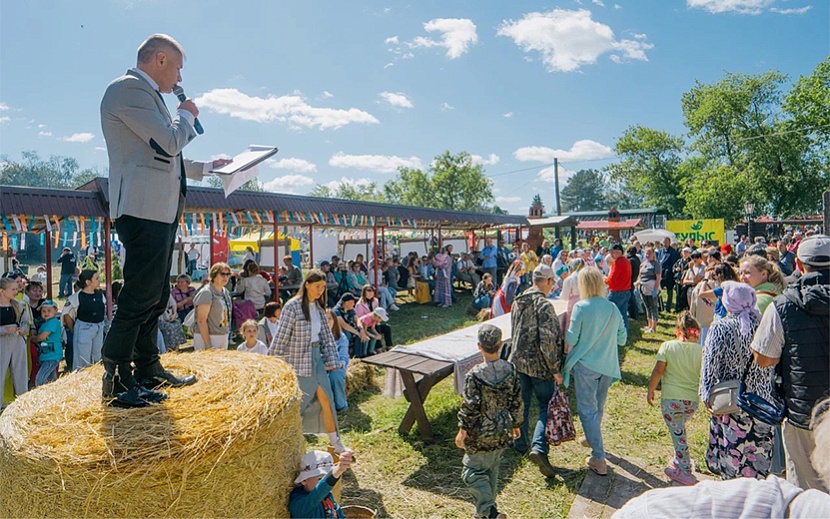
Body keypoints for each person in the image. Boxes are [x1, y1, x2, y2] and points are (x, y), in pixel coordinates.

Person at [100, 34, 232, 407]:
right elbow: (170, 142)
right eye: (177, 69)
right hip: (142, 211)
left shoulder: (147, 97)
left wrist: (208, 167)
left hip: (158, 209)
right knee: (139, 296)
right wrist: (187, 113)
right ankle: (115, 379)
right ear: (160, 59)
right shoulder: (128, 90)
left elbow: (161, 158)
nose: (178, 79)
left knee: (155, 296)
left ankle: (146, 368)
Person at [612, 400, 830, 518]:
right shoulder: (754, 321)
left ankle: (687, 467)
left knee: (731, 454)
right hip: (760, 409)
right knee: (753, 456)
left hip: (731, 404)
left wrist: (707, 396)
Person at [752, 234, 830, 492]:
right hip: (804, 411)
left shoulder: (782, 306)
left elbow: (763, 358)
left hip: (803, 413)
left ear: (798, 263)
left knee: (807, 494)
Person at [699, 281, 776, 480]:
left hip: (732, 400)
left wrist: (706, 395)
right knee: (759, 458)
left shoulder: (721, 327)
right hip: (763, 402)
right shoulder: (764, 325)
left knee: (733, 457)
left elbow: (710, 365)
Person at [269, 270, 347, 452]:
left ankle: (335, 443)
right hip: (297, 361)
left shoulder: (319, 308)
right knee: (297, 406)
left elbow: (327, 337)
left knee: (327, 399)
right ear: (307, 285)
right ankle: (282, 444)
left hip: (316, 359)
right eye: (317, 286)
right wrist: (272, 363)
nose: (320, 290)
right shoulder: (292, 306)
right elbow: (280, 337)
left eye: (323, 287)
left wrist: (333, 360)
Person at [564, 268, 627, 476]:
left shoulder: (581, 307)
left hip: (586, 365)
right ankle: (591, 438)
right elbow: (622, 339)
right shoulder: (612, 307)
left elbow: (571, 339)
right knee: (598, 407)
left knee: (586, 409)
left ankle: (599, 457)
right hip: (607, 365)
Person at [456, 324, 523, 519]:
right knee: (492, 470)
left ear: (479, 346)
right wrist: (516, 423)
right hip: (503, 428)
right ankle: (482, 514)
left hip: (480, 432)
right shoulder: (510, 369)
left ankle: (490, 511)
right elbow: (517, 400)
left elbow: (470, 405)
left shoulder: (474, 375)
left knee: (471, 472)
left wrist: (463, 430)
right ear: (501, 344)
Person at [509, 264, 564, 477]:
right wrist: (555, 369)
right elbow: (548, 342)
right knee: (545, 406)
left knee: (522, 404)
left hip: (519, 361)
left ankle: (520, 443)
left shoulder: (518, 301)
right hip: (540, 366)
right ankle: (539, 447)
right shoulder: (544, 306)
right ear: (548, 282)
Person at [646, 312, 703, 486]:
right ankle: (679, 461)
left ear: (678, 330)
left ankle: (685, 471)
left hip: (671, 400)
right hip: (691, 401)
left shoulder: (668, 347)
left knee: (679, 435)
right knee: (679, 431)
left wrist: (651, 389)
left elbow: (658, 371)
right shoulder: (702, 351)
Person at [288, 450, 353, 519]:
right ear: (304, 480)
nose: (324, 483)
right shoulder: (299, 505)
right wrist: (338, 470)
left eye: (325, 478)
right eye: (320, 479)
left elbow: (338, 514)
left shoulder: (328, 496)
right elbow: (318, 492)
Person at [62, 270, 107, 370]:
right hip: (84, 328)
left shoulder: (100, 295)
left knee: (97, 356)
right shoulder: (76, 298)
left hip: (98, 328)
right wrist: (74, 329)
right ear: (88, 282)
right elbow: (67, 314)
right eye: (96, 278)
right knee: (83, 358)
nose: (99, 280)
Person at [0, 277, 30, 405]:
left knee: (20, 371)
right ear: (2, 291)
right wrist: (3, 330)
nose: (16, 291)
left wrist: (23, 329)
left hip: (17, 340)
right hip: (2, 342)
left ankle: (23, 403)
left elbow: (25, 321)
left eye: (16, 289)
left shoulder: (17, 305)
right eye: (12, 289)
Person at [192, 262, 233, 351]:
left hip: (223, 335)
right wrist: (208, 344)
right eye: (222, 274)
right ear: (214, 275)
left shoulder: (225, 291)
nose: (225, 277)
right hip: (208, 337)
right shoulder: (206, 293)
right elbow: (201, 321)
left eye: (228, 274)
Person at [32, 300, 64, 386]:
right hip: (47, 355)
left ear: (56, 311)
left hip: (52, 356)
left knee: (40, 378)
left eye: (49, 311)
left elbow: (42, 337)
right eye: (43, 311)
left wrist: (34, 339)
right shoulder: (45, 324)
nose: (46, 313)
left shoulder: (53, 322)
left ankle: (41, 393)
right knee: (51, 379)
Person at [605, 244, 631, 339]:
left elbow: (612, 279)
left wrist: (604, 280)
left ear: (618, 251)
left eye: (612, 252)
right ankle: (623, 335)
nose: (611, 254)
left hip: (617, 292)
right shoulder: (626, 261)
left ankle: (609, 335)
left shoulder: (618, 263)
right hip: (626, 290)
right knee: (623, 315)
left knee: (607, 312)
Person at [355, 285, 392, 351]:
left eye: (372, 291)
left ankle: (389, 345)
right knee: (376, 329)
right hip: (365, 324)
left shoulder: (375, 301)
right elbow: (359, 318)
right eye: (368, 291)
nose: (370, 293)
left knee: (387, 327)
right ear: (364, 292)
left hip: (374, 322)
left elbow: (377, 312)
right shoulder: (359, 304)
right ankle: (378, 347)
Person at [326, 309, 349, 412]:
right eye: (324, 319)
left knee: (335, 376)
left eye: (330, 318)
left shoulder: (341, 337)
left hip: (336, 366)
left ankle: (340, 405)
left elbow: (343, 357)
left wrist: (338, 365)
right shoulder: (314, 336)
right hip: (320, 366)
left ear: (334, 320)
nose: (327, 321)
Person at [637, 247, 662, 334]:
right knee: (647, 306)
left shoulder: (656, 264)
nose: (647, 255)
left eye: (649, 253)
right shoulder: (643, 264)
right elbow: (639, 275)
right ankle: (649, 325)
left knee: (653, 307)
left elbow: (658, 278)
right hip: (643, 287)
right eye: (646, 253)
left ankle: (654, 327)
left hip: (651, 287)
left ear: (653, 254)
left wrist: (656, 289)